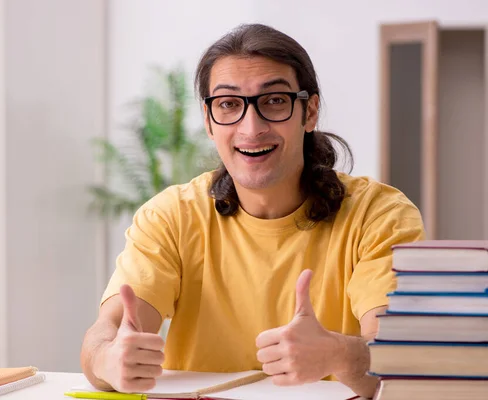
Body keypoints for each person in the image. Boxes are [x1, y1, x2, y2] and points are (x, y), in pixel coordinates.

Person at [80, 23, 425, 399]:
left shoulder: (380, 215)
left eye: (274, 100)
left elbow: (403, 363)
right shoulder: (170, 216)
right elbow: (105, 335)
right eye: (228, 104)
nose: (251, 127)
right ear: (210, 121)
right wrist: (108, 360)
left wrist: (340, 355)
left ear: (308, 112)